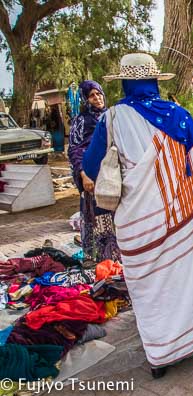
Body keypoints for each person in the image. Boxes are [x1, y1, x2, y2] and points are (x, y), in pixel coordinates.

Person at [82, 54, 193, 379]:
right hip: (184, 218)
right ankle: (188, 341)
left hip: (140, 226)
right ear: (155, 81)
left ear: (126, 83)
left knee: (151, 287)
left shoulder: (113, 118)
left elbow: (89, 166)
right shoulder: (181, 116)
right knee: (181, 279)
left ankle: (159, 354)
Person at [67, 80, 120, 264]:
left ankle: (116, 257)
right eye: (91, 95)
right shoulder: (81, 121)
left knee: (114, 216)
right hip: (93, 178)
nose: (97, 98)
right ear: (85, 100)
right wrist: (84, 174)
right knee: (97, 217)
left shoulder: (111, 115)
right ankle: (99, 259)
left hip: (112, 175)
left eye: (98, 94)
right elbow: (75, 149)